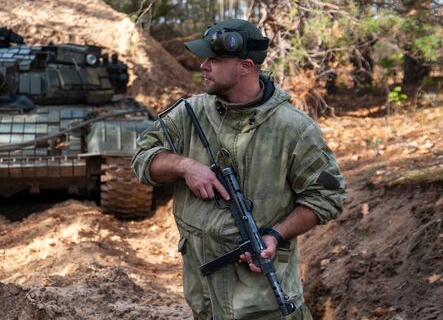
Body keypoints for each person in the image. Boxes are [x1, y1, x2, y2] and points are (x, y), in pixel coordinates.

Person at [131, 19, 346, 320]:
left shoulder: (294, 130)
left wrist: (276, 235)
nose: (203, 65)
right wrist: (184, 166)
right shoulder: (190, 113)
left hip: (265, 304)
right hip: (204, 300)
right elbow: (142, 158)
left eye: (215, 59)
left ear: (246, 66)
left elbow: (326, 197)